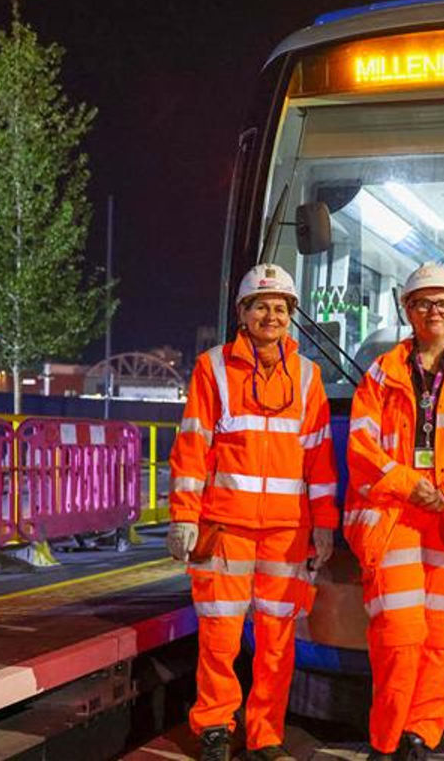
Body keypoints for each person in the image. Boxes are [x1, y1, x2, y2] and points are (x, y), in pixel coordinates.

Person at [167, 263, 339, 761]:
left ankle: (266, 734)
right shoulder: (213, 367)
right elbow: (193, 446)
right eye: (261, 306)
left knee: (277, 639)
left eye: (281, 308)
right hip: (224, 527)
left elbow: (319, 457)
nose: (272, 315)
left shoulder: (308, 377)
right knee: (219, 635)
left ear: (292, 316)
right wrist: (184, 515)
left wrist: (324, 525)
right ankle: (216, 727)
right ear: (243, 314)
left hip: (288, 533)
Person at [345, 263, 444, 761]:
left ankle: (419, 736)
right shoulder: (380, 374)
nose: (433, 312)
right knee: (398, 634)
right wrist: (411, 487)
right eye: (422, 304)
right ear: (407, 311)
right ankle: (386, 739)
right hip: (396, 516)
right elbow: (362, 444)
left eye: (443, 304)